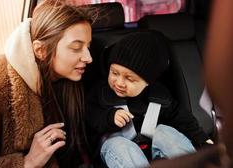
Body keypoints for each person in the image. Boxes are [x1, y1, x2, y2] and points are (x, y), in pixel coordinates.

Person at [0, 0, 96, 168]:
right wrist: (27, 163)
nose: (88, 58)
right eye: (76, 47)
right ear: (40, 50)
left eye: (88, 46)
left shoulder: (65, 82)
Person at [86, 32, 213, 168]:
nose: (119, 82)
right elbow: (89, 116)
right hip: (118, 153)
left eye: (129, 79)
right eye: (114, 73)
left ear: (148, 81)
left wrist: (203, 140)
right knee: (119, 145)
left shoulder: (159, 96)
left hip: (154, 153)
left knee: (166, 132)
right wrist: (109, 117)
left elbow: (182, 119)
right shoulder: (101, 93)